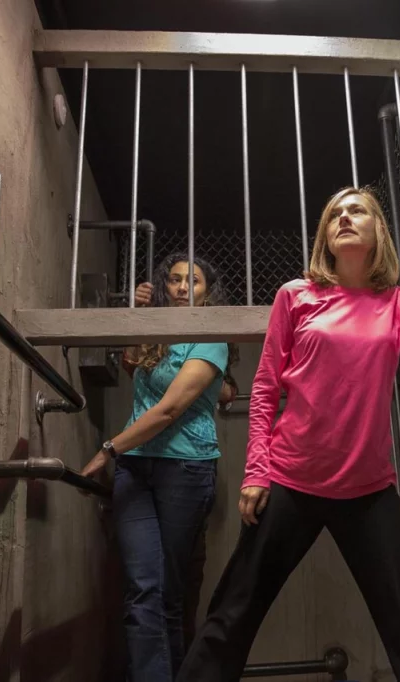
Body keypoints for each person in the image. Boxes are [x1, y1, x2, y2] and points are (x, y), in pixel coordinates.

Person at [176, 187, 400, 682]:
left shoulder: (397, 302)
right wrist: (257, 470)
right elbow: (267, 386)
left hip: (367, 491)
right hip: (291, 481)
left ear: (377, 230)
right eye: (335, 213)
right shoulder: (296, 296)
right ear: (326, 237)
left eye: (357, 211)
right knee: (231, 616)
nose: (344, 217)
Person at [81, 252, 237, 682]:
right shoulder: (157, 331)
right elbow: (132, 362)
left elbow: (169, 409)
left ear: (208, 291)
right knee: (141, 591)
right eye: (174, 279)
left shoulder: (212, 336)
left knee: (169, 595)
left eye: (194, 281)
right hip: (136, 468)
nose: (183, 286)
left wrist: (108, 449)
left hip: (185, 469)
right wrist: (139, 314)